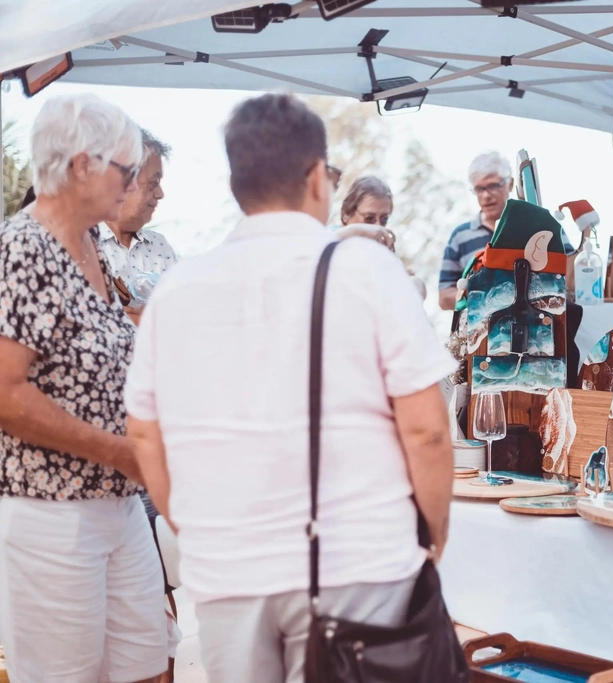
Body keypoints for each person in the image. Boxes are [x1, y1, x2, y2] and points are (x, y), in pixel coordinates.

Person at [125, 93, 457, 683]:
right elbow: (428, 429)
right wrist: (432, 536)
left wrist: (197, 526)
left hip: (228, 571)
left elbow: (146, 435)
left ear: (237, 183)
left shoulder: (177, 291)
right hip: (357, 565)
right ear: (315, 179)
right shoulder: (368, 270)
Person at [0, 94, 168, 682]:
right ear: (80, 167)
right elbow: (5, 393)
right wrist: (122, 452)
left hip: (117, 504)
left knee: (151, 666)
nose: (131, 184)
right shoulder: (23, 247)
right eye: (126, 170)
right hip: (54, 513)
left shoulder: (92, 245)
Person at [98, 129, 177, 325]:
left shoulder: (160, 247)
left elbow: (178, 317)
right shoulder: (82, 245)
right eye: (153, 183)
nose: (160, 194)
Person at [438, 151, 513, 310]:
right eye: (479, 189)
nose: (486, 195)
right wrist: (478, 295)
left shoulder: (540, 226)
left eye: (493, 185)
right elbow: (444, 297)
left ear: (510, 184)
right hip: (478, 332)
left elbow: (569, 278)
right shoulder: (460, 236)